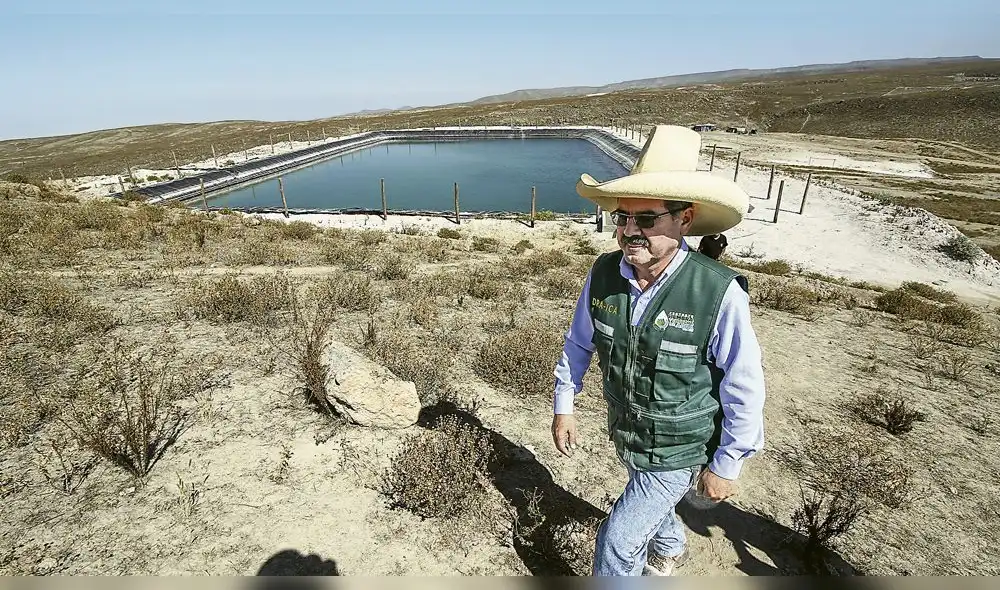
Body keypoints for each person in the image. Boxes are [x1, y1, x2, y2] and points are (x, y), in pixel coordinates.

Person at [551, 125, 766, 577]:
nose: (630, 231)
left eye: (646, 219)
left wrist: (727, 464)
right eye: (622, 218)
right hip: (628, 434)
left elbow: (743, 385)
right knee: (646, 494)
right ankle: (669, 546)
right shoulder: (605, 273)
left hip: (680, 448)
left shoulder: (718, 292)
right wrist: (564, 406)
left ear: (684, 220)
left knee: (617, 542)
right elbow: (577, 344)